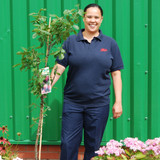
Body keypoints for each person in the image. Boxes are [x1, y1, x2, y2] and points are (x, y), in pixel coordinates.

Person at [51, 3, 124, 160]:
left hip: (99, 104)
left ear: (101, 19)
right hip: (73, 103)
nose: (93, 20)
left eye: (96, 17)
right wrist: (45, 86)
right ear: (83, 18)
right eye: (89, 16)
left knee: (93, 146)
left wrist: (118, 102)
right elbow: (59, 66)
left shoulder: (110, 44)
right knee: (68, 144)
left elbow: (116, 74)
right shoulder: (70, 41)